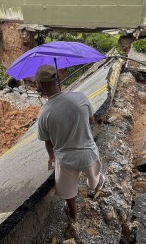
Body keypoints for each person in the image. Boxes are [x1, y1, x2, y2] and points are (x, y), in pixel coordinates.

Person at [35, 64, 105, 223]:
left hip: (65, 160)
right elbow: (92, 121)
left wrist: (51, 157)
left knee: (68, 193)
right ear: (57, 79)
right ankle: (97, 180)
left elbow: (48, 143)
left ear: (40, 85)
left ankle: (73, 214)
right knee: (94, 183)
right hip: (88, 154)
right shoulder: (80, 97)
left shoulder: (44, 114)